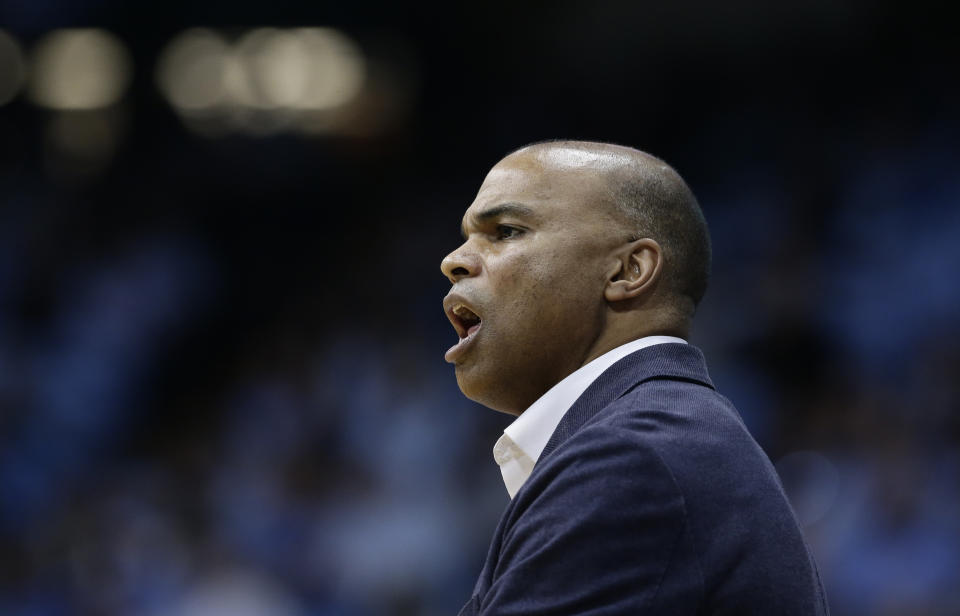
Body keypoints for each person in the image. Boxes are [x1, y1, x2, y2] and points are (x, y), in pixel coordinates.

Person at [440, 140, 830, 615]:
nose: (454, 260)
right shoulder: (661, 435)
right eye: (467, 235)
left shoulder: (632, 457)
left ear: (629, 269)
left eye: (504, 231)